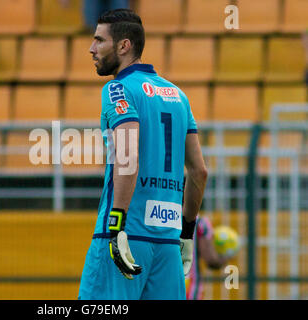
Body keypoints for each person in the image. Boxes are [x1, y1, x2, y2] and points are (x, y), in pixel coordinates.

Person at [78, 9, 208, 300]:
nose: (91, 48)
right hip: (167, 243)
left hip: (125, 234)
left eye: (99, 40)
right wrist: (186, 233)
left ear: (124, 46)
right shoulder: (178, 95)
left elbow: (127, 154)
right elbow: (199, 172)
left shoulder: (117, 89)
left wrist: (116, 224)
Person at [185, 216, 236, 300]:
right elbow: (211, 259)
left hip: (167, 281)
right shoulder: (200, 223)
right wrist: (227, 256)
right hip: (189, 285)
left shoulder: (170, 216)